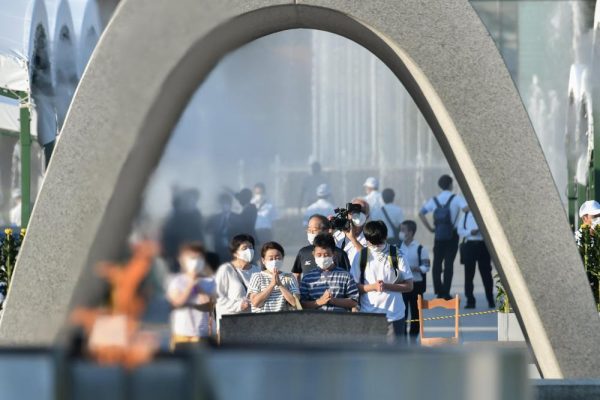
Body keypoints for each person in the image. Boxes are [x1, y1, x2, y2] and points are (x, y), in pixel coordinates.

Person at [351, 221, 413, 341]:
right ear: (367, 239)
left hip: (394, 316)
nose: (376, 245)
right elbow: (353, 287)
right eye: (372, 243)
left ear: (385, 237)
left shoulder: (397, 254)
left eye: (380, 242)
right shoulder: (360, 256)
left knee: (394, 357)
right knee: (370, 357)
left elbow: (409, 286)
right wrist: (373, 287)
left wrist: (387, 286)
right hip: (368, 315)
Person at [418, 174, 467, 300]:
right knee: (449, 263)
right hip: (452, 235)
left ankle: (438, 291)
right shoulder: (456, 198)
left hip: (439, 234)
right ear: (451, 185)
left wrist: (430, 228)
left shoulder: (434, 200)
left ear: (440, 186)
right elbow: (466, 209)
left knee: (437, 263)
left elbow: (421, 213)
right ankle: (446, 292)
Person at [166, 243, 215, 350]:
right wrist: (190, 284)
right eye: (192, 258)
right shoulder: (176, 281)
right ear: (183, 260)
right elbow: (177, 302)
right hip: (182, 333)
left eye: (199, 258)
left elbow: (209, 304)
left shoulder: (210, 281)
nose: (196, 261)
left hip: (202, 334)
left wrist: (198, 285)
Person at [300, 233, 359, 311]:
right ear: (313, 254)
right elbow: (302, 304)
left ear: (334, 254)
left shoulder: (346, 276)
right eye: (319, 255)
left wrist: (334, 301)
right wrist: (320, 302)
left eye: (326, 255)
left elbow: (354, 301)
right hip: (314, 321)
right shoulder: (307, 278)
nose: (323, 258)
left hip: (340, 320)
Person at [214, 234, 261, 324]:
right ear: (235, 253)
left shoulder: (257, 270)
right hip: (230, 322)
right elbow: (218, 297)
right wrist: (239, 306)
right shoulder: (226, 269)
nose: (249, 251)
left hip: (252, 322)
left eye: (251, 247)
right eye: (244, 248)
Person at [292, 214, 352, 282]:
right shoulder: (303, 252)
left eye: (314, 230)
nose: (311, 233)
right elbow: (296, 275)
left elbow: (348, 278)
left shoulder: (339, 254)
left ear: (327, 231)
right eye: (309, 230)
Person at [248, 241, 300, 312]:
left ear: (282, 258)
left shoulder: (289, 277)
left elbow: (296, 303)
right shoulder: (257, 276)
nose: (275, 261)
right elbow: (255, 303)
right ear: (263, 260)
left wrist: (280, 285)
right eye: (271, 258)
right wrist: (272, 285)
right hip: (261, 320)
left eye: (278, 258)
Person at [161, 187, 204, 272]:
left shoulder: (196, 215)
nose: (192, 203)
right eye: (189, 200)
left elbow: (198, 235)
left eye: (194, 200)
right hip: (177, 254)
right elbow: (168, 235)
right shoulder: (175, 216)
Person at [457, 209, 494, 309]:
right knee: (469, 275)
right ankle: (470, 301)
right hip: (470, 244)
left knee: (486, 274)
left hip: (483, 245)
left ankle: (490, 299)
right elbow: (459, 230)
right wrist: (470, 232)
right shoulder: (466, 215)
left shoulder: (485, 213)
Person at [399, 220, 430, 337]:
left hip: (416, 285)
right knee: (402, 312)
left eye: (403, 230)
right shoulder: (398, 247)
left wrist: (414, 268)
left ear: (411, 232)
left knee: (416, 314)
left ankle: (413, 337)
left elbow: (426, 266)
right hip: (402, 285)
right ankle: (402, 336)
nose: (401, 233)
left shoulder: (420, 248)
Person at [333, 198, 369, 263]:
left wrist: (353, 239)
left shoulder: (371, 234)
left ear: (367, 216)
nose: (357, 214)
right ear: (347, 213)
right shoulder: (337, 235)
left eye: (362, 211)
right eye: (354, 210)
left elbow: (370, 259)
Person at [206, 193, 236, 263]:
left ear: (230, 205)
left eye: (227, 204)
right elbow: (207, 229)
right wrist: (214, 230)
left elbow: (240, 231)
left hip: (231, 246)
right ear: (220, 205)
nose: (225, 206)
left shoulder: (236, 217)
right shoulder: (215, 217)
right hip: (218, 246)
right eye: (223, 204)